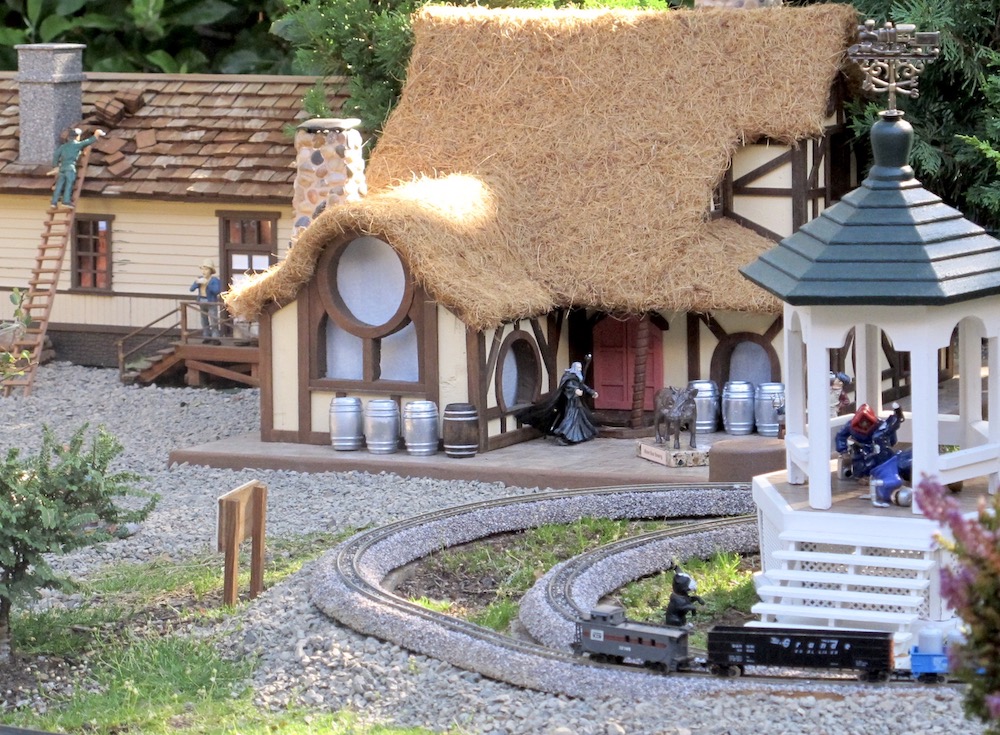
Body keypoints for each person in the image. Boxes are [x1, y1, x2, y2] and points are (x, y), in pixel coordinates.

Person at [515, 357, 600, 445]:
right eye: (578, 368)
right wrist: (575, 391)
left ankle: (577, 436)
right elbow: (568, 386)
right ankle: (563, 434)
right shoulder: (569, 377)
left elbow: (582, 386)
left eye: (580, 368)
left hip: (576, 403)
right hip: (570, 403)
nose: (579, 370)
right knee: (570, 419)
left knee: (579, 419)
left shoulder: (578, 377)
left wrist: (592, 392)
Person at [49, 127, 105, 209]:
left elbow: (56, 155)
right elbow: (88, 141)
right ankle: (66, 201)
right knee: (69, 184)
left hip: (62, 168)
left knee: (59, 185)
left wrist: (55, 166)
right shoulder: (77, 145)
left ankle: (54, 202)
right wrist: (96, 134)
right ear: (77, 137)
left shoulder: (63, 147)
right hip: (70, 168)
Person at [190, 260, 222, 343]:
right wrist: (197, 282)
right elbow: (191, 289)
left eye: (206, 269)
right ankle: (206, 336)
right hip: (202, 300)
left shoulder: (214, 280)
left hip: (211, 301)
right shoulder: (200, 279)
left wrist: (208, 283)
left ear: (211, 271)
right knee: (204, 320)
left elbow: (216, 291)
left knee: (213, 320)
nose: (204, 271)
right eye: (203, 269)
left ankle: (215, 338)